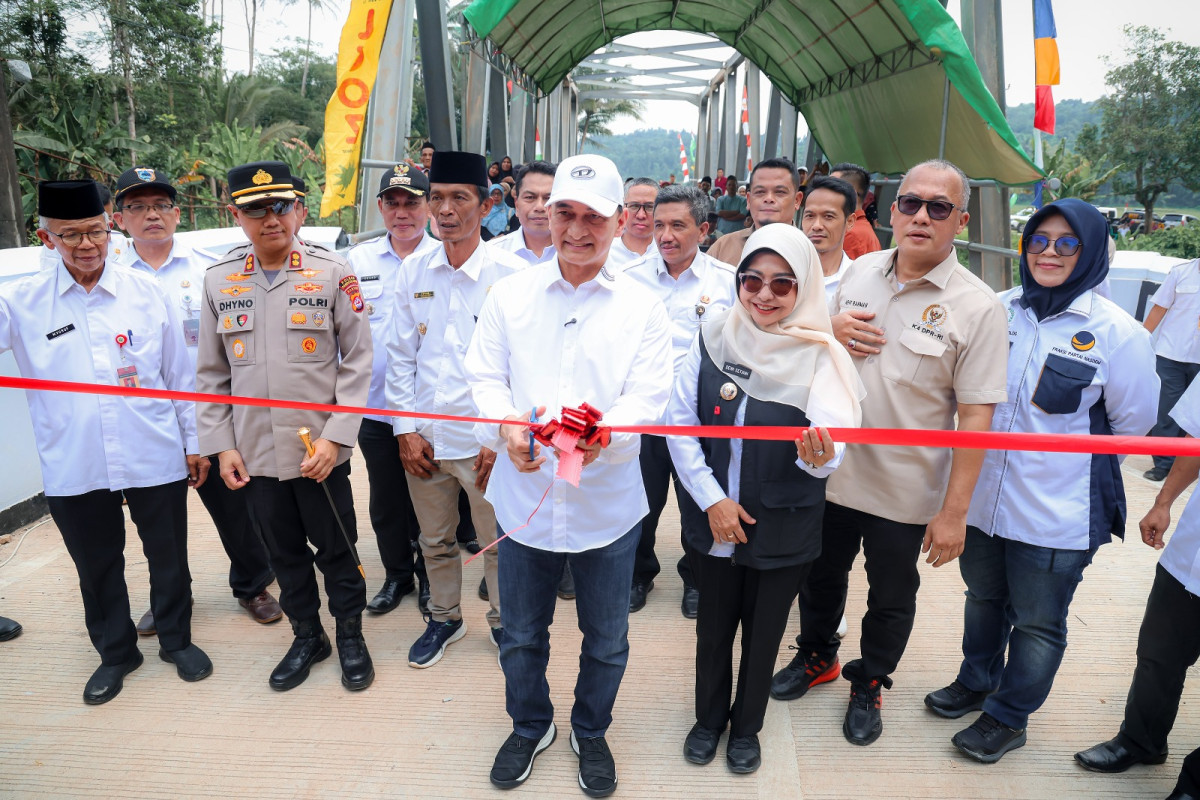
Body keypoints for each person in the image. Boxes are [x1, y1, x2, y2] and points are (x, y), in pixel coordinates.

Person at [770, 160, 1009, 746]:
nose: (922, 216)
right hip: (831, 470)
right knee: (820, 578)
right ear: (887, 210)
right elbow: (803, 345)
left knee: (891, 596)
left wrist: (954, 513)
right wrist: (829, 326)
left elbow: (977, 416)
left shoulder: (978, 307)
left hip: (904, 489)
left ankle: (870, 679)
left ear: (961, 220)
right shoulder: (858, 276)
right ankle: (818, 655)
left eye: (939, 208)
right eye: (910, 203)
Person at [466, 153, 673, 797]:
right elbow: (483, 378)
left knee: (606, 639)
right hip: (523, 496)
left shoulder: (644, 307)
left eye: (593, 217)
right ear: (545, 214)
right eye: (565, 213)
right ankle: (531, 725)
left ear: (618, 223)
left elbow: (650, 396)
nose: (577, 230)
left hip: (606, 508)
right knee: (521, 635)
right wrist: (504, 428)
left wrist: (608, 431)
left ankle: (591, 728)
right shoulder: (509, 295)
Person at [924, 199, 1158, 763]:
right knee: (982, 597)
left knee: (1037, 623)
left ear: (1093, 251)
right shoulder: (995, 310)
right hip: (980, 501)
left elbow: (1134, 425)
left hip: (1055, 513)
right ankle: (976, 679)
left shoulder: (1116, 334)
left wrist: (1066, 468)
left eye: (1066, 243)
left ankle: (1008, 716)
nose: (1048, 253)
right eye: (1038, 241)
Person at [1, 180, 211, 703]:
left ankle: (177, 639)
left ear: (109, 228)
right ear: (46, 239)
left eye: (94, 231)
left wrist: (194, 442)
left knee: (168, 556)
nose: (86, 245)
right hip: (75, 461)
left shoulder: (147, 294)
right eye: (70, 236)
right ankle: (116, 653)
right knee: (96, 565)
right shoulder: (21, 303)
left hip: (153, 451)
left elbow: (179, 376)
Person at [668, 224, 863, 774]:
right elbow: (679, 425)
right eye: (751, 280)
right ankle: (708, 720)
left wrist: (816, 455)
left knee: (763, 635)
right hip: (715, 519)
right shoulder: (712, 334)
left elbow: (833, 450)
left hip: (784, 524)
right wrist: (711, 500)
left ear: (804, 288)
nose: (764, 295)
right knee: (713, 630)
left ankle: (746, 728)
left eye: (782, 284)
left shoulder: (822, 355)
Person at [196, 161, 374, 692]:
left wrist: (336, 437)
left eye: (280, 206)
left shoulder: (331, 270)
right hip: (255, 454)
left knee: (337, 548)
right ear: (237, 215)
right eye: (255, 209)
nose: (270, 219)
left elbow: (359, 360)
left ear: (298, 208)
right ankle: (307, 635)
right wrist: (221, 447)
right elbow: (210, 374)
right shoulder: (219, 279)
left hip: (317, 451)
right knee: (284, 554)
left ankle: (349, 635)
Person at [110, 166, 283, 633]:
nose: (152, 216)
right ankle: (170, 597)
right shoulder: (108, 279)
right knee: (157, 524)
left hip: (212, 414)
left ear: (177, 213)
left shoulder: (212, 269)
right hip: (146, 421)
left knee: (236, 509)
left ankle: (253, 584)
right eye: (138, 207)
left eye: (161, 205)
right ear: (117, 217)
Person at [387, 151, 525, 668]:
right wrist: (405, 429)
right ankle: (444, 617)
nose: (445, 210)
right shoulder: (412, 270)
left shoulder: (511, 277)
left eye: (459, 198)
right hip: (426, 437)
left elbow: (520, 370)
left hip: (485, 444)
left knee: (496, 542)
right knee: (435, 539)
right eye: (436, 198)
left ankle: (505, 623)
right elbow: (401, 357)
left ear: (487, 204)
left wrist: (497, 439)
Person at [1073, 377, 1200, 798]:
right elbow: (1195, 436)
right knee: (1158, 654)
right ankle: (1141, 740)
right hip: (1192, 556)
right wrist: (1163, 503)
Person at [623, 184, 737, 618]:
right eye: (658, 225)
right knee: (639, 505)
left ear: (703, 230)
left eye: (678, 225)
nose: (665, 235)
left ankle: (696, 578)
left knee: (698, 503)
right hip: (645, 417)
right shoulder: (629, 280)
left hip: (698, 421)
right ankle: (637, 574)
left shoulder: (726, 284)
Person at [346, 163, 440, 616]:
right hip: (377, 410)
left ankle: (429, 577)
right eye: (393, 203)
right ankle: (397, 575)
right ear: (381, 207)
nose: (402, 213)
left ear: (428, 207)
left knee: (431, 502)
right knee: (385, 503)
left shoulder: (444, 259)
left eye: (412, 203)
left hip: (434, 411)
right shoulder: (356, 263)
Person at [1141, 256, 1200, 481]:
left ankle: (1186, 464)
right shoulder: (1180, 272)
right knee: (1166, 409)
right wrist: (1141, 341)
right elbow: (1159, 308)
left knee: (1194, 415)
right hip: (1170, 353)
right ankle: (1163, 463)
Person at [708, 158, 803, 267]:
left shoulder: (810, 251)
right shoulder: (723, 247)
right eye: (760, 192)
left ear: (797, 200)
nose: (768, 198)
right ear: (748, 200)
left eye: (780, 192)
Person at [799, 175, 857, 308]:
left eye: (828, 217)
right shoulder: (785, 272)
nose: (816, 225)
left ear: (849, 221)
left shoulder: (859, 279)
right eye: (810, 216)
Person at [488, 161, 557, 266]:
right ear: (516, 205)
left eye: (548, 198)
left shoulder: (579, 255)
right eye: (530, 197)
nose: (540, 207)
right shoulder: (490, 254)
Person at [830, 163, 882, 259]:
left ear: (851, 193)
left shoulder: (850, 234)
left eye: (831, 187)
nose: (823, 191)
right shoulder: (861, 229)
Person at [607, 178, 658, 270]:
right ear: (622, 207)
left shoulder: (668, 253)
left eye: (650, 207)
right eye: (634, 206)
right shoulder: (606, 252)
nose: (641, 215)